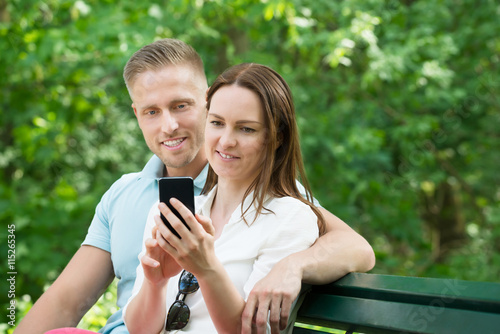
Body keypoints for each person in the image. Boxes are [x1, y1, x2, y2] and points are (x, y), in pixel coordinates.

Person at [15, 39, 375, 334]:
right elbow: (65, 302)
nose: (168, 125)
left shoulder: (268, 195)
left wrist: (294, 266)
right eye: (151, 111)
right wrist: (156, 279)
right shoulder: (126, 194)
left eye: (181, 105)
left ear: (206, 101)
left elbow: (354, 246)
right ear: (136, 115)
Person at [124, 62, 324, 333]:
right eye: (217, 123)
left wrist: (206, 269)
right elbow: (140, 330)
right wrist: (156, 283)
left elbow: (254, 332)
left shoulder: (291, 219)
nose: (226, 141)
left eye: (246, 129)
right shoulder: (175, 213)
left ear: (276, 137)